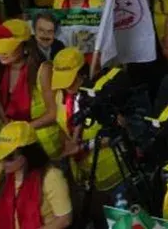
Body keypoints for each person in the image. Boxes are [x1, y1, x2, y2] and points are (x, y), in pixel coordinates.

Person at [0, 19, 62, 157]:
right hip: (9, 144)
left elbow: (53, 114)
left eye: (8, 47)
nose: (2, 53)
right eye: (0, 47)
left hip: (41, 145)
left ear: (25, 47)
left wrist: (23, 130)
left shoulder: (43, 70)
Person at [49, 48, 123, 198]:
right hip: (84, 176)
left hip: (113, 173)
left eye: (69, 79)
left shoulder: (101, 93)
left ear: (81, 73)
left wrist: (83, 146)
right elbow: (62, 126)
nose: (66, 85)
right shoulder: (60, 96)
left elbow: (119, 130)